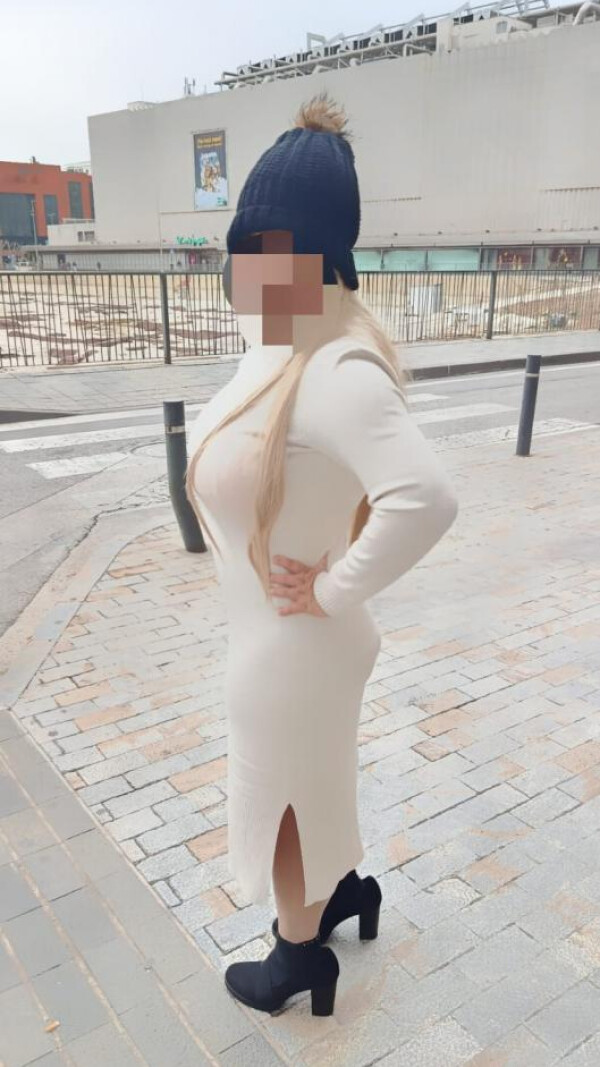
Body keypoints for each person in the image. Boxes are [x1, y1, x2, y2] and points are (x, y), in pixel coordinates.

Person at [184, 91, 459, 1016]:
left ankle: (298, 957)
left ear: (325, 262)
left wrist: (334, 586)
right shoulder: (275, 344)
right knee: (309, 784)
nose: (254, 268)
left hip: (298, 642)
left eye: (279, 249)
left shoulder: (336, 368)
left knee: (286, 801)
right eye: (248, 247)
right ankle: (341, 893)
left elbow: (426, 497)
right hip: (279, 639)